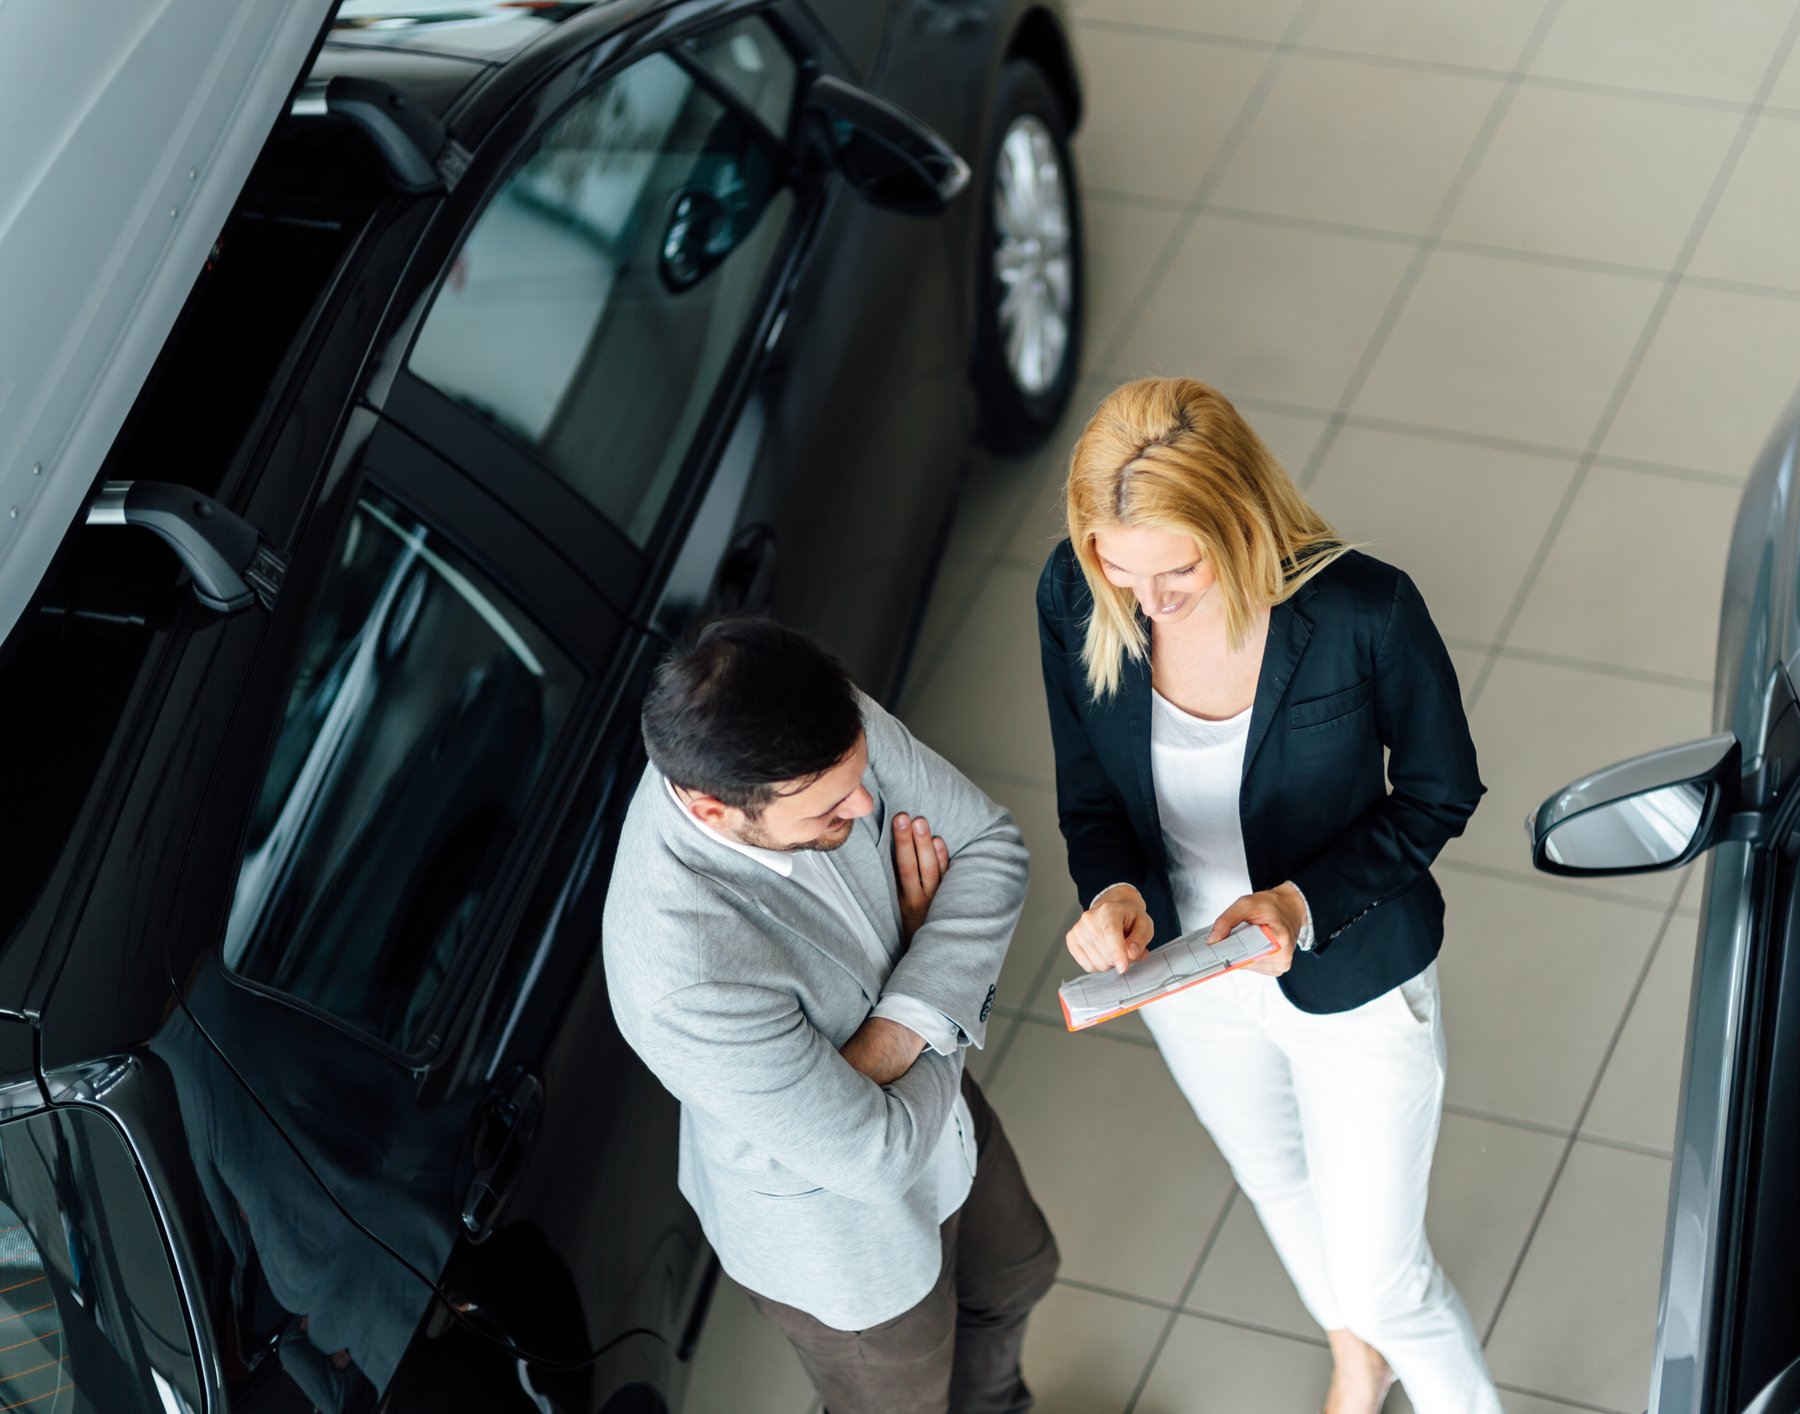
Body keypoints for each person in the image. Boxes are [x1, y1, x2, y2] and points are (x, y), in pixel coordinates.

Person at [1036, 378, 1502, 1414]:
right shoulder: (1077, 599)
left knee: (1388, 1274)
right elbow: (1090, 798)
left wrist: (1297, 903)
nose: (1150, 604)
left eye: (1179, 571)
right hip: (1190, 976)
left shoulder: (1362, 612)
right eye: (1124, 573)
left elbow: (1440, 791)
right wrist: (1113, 888)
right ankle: (1354, 1356)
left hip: (1351, 972)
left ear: (1238, 516)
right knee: (1279, 1179)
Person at [604, 616, 1058, 1414]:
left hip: (932, 1111)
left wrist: (899, 1024)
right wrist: (933, 976)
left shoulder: (812, 727)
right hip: (840, 1239)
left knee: (1019, 1274)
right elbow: (872, 1158)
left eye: (858, 773)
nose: (866, 798)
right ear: (713, 811)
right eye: (829, 808)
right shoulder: (680, 973)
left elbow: (990, 846)